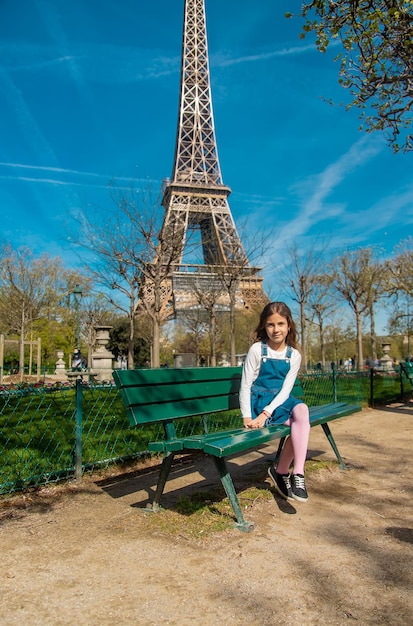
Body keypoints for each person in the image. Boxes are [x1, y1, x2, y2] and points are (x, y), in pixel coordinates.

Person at [239, 301, 310, 502]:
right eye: (271, 325)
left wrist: (268, 413)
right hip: (260, 402)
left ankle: (297, 474)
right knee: (300, 424)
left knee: (302, 412)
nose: (276, 329)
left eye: (280, 324)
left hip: (279, 402)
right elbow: (245, 385)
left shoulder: (294, 355)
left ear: (289, 326)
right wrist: (248, 415)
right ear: (264, 327)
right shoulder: (257, 350)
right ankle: (280, 471)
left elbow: (286, 390)